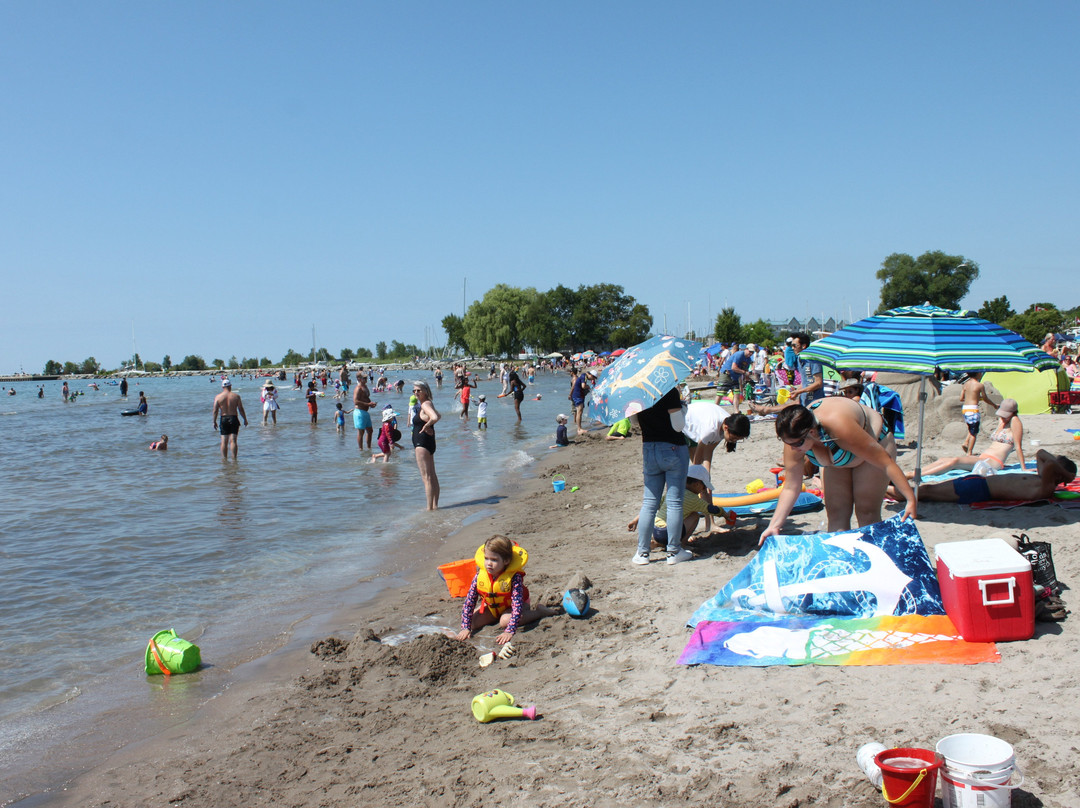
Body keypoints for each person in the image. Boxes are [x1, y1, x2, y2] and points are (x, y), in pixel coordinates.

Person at [759, 397, 916, 545]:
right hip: (836, 458)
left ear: (811, 433)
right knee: (836, 513)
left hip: (874, 443)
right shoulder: (793, 436)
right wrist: (774, 525)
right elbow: (791, 487)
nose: (792, 449)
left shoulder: (839, 426)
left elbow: (886, 463)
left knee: (866, 511)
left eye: (796, 444)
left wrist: (910, 499)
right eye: (787, 443)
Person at [456, 535, 555, 646]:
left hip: (516, 606)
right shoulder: (479, 576)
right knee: (472, 623)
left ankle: (539, 612)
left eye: (494, 560)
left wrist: (509, 631)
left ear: (506, 560)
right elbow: (469, 602)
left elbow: (517, 605)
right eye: (486, 558)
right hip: (494, 608)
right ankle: (495, 617)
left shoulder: (514, 577)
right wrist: (465, 627)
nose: (489, 563)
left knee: (504, 621)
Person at [632, 385, 692, 566]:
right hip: (673, 448)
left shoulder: (637, 392)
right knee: (674, 503)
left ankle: (642, 553)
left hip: (649, 448)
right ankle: (674, 551)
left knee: (649, 503)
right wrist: (683, 407)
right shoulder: (668, 391)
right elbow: (678, 426)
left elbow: (634, 422)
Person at [913, 398, 1026, 480]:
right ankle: (914, 472)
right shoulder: (1002, 420)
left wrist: (1023, 468)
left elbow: (1018, 447)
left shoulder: (1015, 421)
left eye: (1005, 415)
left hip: (993, 462)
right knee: (944, 459)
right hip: (983, 457)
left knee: (955, 461)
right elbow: (998, 409)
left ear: (1013, 413)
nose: (1002, 417)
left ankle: (915, 475)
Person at [917, 450, 1076, 505]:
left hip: (979, 490)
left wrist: (1067, 474)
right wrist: (1063, 471)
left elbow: (1049, 464)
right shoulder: (1042, 478)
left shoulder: (1047, 488)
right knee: (925, 491)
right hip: (978, 482)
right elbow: (1040, 453)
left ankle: (901, 494)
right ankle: (901, 493)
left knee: (925, 492)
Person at [628, 464, 724, 550]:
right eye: (704, 487)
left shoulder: (671, 492)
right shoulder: (693, 499)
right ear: (697, 484)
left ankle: (657, 543)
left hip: (656, 531)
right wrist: (725, 514)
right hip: (668, 532)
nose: (703, 490)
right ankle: (682, 545)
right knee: (694, 515)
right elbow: (712, 510)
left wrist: (636, 520)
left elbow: (652, 507)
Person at [684, 400, 751, 475]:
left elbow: (708, 450)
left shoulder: (728, 423)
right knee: (692, 466)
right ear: (726, 428)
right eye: (733, 438)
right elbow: (696, 460)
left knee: (700, 471)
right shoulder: (711, 429)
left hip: (697, 426)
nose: (734, 441)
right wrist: (697, 475)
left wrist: (707, 476)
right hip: (684, 422)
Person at [411, 380, 441, 510]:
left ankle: (429, 509)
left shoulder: (425, 405)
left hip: (422, 443)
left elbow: (434, 417)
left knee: (426, 477)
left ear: (425, 391)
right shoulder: (428, 403)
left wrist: (426, 426)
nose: (416, 393)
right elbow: (438, 415)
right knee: (432, 475)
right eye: (414, 391)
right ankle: (435, 506)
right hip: (428, 442)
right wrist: (429, 425)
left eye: (419, 390)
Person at [959, 372, 999, 456]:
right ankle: (969, 452)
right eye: (980, 373)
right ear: (977, 374)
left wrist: (975, 397)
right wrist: (994, 405)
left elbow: (961, 398)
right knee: (974, 432)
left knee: (971, 427)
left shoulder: (965, 384)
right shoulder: (979, 385)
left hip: (965, 408)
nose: (981, 374)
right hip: (973, 409)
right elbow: (985, 398)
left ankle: (966, 442)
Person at [213, 379, 248, 459]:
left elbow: (215, 410)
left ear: (222, 387)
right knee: (233, 440)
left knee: (224, 441)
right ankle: (234, 459)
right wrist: (245, 419)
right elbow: (241, 409)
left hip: (224, 418)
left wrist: (214, 421)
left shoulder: (218, 397)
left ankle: (224, 459)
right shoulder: (236, 396)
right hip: (233, 418)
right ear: (230, 386)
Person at [717, 346, 751, 414]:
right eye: (750, 351)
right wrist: (744, 372)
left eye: (752, 352)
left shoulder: (748, 359)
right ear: (746, 349)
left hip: (735, 376)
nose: (751, 353)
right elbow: (734, 367)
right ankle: (715, 409)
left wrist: (746, 376)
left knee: (736, 393)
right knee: (721, 393)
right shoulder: (739, 354)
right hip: (726, 374)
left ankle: (736, 411)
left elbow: (745, 369)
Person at [352, 374, 377, 450]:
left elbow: (366, 398)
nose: (366, 379)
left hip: (365, 412)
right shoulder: (358, 388)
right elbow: (355, 401)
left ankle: (369, 448)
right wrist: (368, 404)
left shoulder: (365, 387)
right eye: (364, 378)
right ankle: (361, 449)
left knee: (370, 431)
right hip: (359, 412)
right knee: (361, 432)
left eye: (366, 378)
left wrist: (371, 404)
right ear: (359, 379)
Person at [570, 370, 596, 435]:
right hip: (578, 396)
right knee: (579, 412)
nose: (592, 379)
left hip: (578, 395)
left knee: (579, 412)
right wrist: (588, 386)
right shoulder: (584, 376)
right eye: (593, 378)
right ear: (591, 375)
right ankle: (579, 429)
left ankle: (579, 428)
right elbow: (583, 386)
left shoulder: (584, 376)